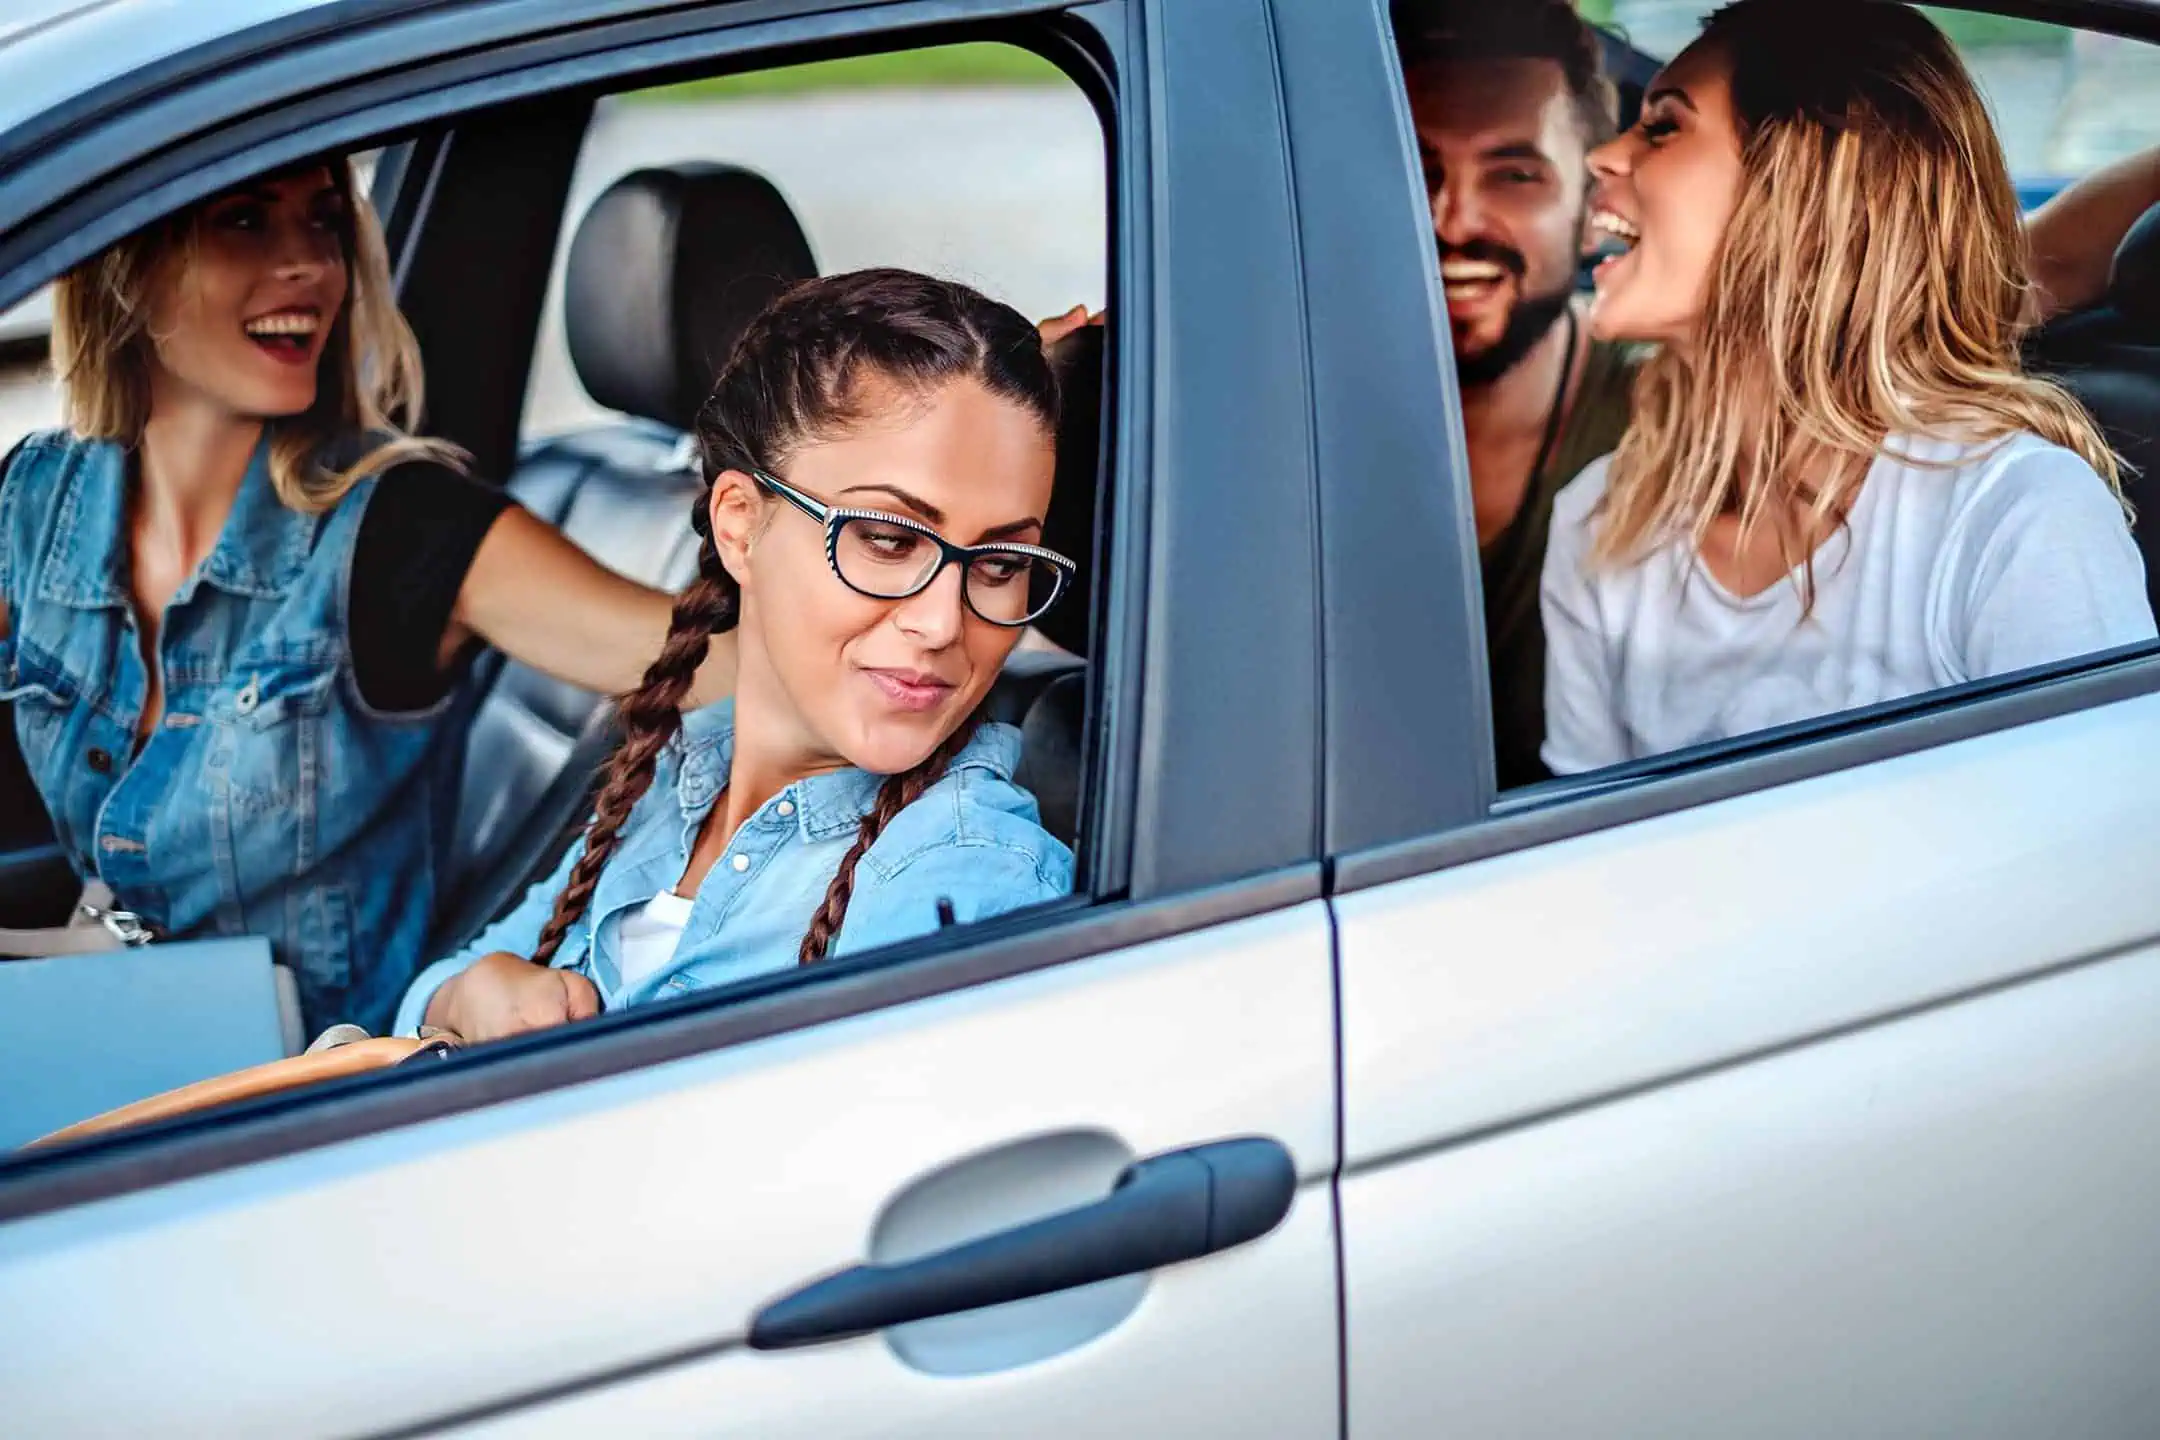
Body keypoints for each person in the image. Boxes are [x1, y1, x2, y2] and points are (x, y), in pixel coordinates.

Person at [0, 156, 740, 1034]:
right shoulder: (37, 503)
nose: (310, 265)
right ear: (122, 266)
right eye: (244, 219)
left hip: (322, 1095)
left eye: (323, 222)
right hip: (118, 1031)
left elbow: (726, 674)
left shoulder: (400, 528)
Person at [1390, 0, 2160, 789]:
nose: (1603, 159)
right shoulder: (1602, 525)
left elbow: (2102, 862)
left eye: (1662, 127)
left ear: (1795, 188)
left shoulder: (2013, 519)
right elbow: (1592, 861)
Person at [396, 269, 1075, 1043]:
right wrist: (462, 999)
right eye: (888, 541)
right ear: (740, 526)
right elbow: (438, 990)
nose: (942, 623)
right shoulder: (678, 778)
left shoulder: (959, 880)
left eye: (998, 564)